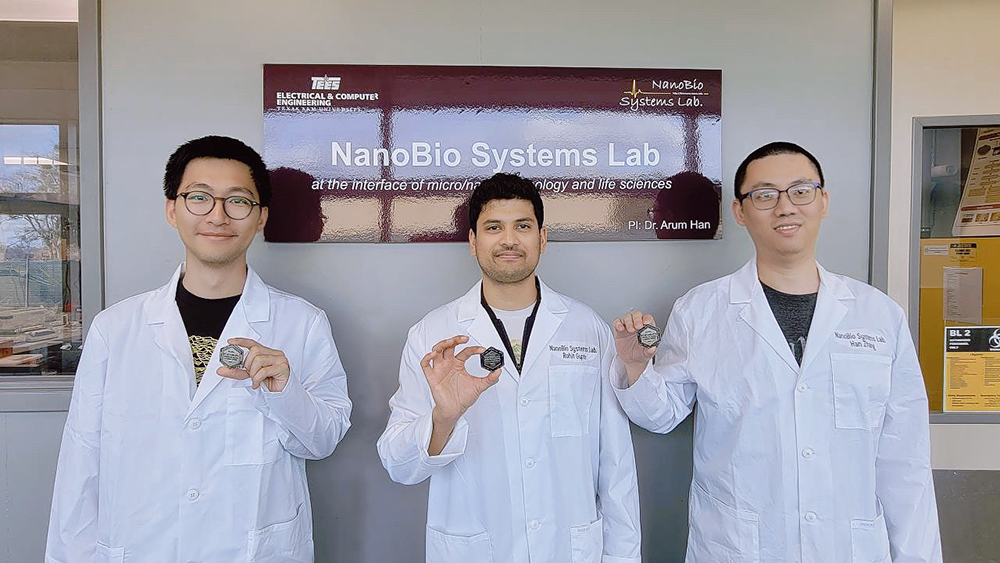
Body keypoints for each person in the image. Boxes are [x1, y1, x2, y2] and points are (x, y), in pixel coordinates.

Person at [613, 142, 941, 562]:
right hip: (739, 547)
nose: (785, 207)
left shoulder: (878, 316)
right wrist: (636, 367)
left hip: (849, 548)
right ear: (740, 211)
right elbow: (662, 415)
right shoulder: (701, 310)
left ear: (823, 201)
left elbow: (905, 461)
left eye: (801, 190)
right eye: (765, 195)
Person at [46, 135, 352, 563]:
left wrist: (286, 392)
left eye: (238, 201)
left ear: (261, 217)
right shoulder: (115, 330)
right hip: (141, 547)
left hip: (251, 549)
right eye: (199, 198)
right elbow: (82, 463)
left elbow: (323, 441)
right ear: (172, 209)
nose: (218, 215)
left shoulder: (302, 324)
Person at [377, 173, 641, 563]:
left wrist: (622, 557)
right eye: (493, 227)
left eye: (523, 226)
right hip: (476, 547)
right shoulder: (433, 334)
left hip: (570, 548)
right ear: (472, 241)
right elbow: (398, 465)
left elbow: (616, 463)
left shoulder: (588, 328)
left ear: (543, 238)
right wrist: (444, 418)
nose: (509, 240)